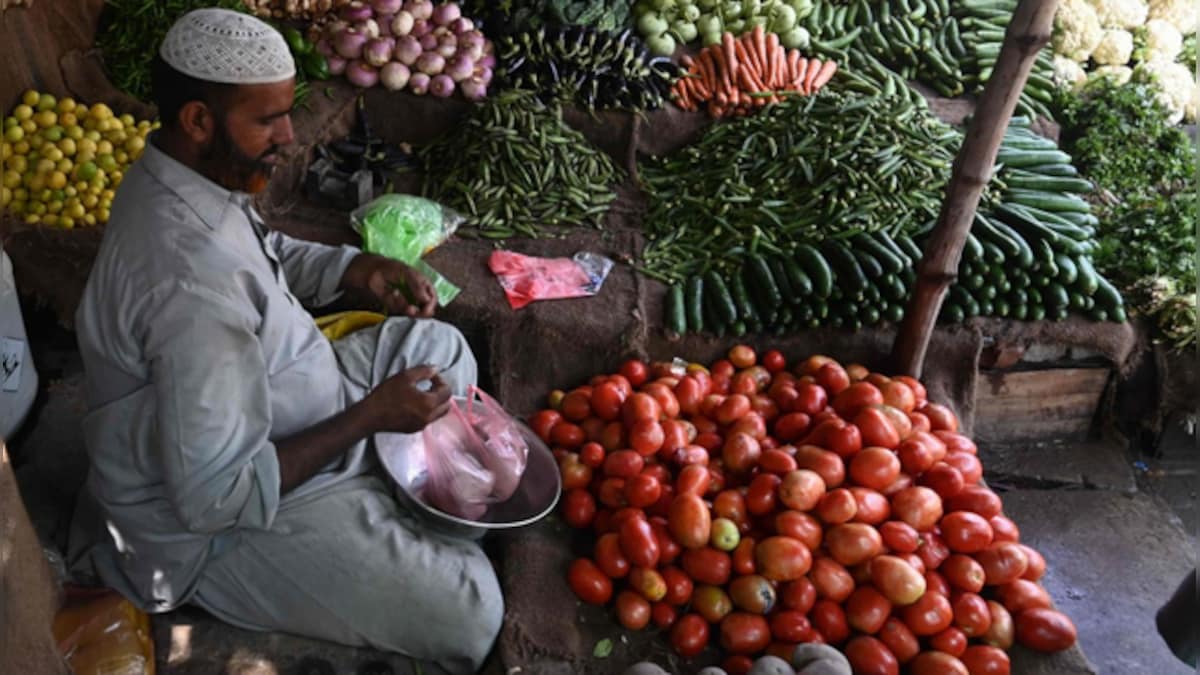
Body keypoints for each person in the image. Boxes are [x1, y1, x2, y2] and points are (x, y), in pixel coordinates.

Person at [67, 9, 502, 674]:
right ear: (198, 121)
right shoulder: (190, 292)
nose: (291, 135)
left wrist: (353, 268)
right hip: (221, 523)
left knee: (442, 352)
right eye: (267, 120)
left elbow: (259, 246)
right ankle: (375, 497)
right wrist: (370, 417)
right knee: (472, 608)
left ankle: (384, 486)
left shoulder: (176, 174)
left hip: (289, 393)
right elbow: (218, 497)